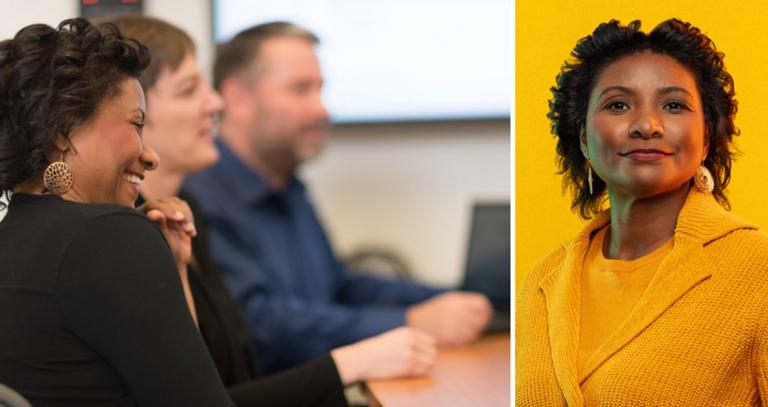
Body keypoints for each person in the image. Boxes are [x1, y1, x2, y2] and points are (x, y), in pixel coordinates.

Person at [108, 15, 438, 406]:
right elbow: (255, 337)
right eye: (188, 90)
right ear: (135, 113)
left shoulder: (188, 207)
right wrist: (363, 354)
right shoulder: (134, 232)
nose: (215, 103)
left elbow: (333, 288)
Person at [183, 21, 493, 372]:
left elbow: (339, 287)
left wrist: (451, 297)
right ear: (238, 99)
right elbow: (258, 323)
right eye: (301, 90)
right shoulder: (201, 198)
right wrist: (410, 321)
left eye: (320, 89)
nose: (322, 109)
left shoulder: (288, 185)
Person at [516, 18, 768, 405]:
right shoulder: (539, 281)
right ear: (583, 138)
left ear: (706, 138)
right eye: (618, 105)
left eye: (673, 105)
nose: (647, 125)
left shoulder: (758, 270)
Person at [0, 19, 233, 406]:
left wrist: (172, 267)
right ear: (64, 128)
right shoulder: (109, 236)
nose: (150, 155)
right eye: (136, 124)